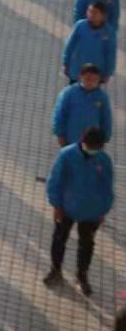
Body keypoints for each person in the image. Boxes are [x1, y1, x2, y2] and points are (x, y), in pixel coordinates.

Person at [44, 126, 112, 295]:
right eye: (92, 147)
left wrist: (103, 209)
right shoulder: (67, 156)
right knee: (59, 239)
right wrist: (56, 205)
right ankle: (56, 270)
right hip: (66, 208)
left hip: (91, 212)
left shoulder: (103, 160)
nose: (94, 151)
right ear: (83, 141)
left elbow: (106, 187)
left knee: (87, 245)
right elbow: (55, 182)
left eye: (98, 148)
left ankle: (82, 275)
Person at [54, 64, 112, 147]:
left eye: (95, 80)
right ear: (80, 77)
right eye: (88, 79)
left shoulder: (102, 97)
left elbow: (106, 119)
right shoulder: (69, 93)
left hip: (92, 142)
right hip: (71, 139)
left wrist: (105, 137)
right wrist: (59, 134)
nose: (91, 82)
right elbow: (60, 113)